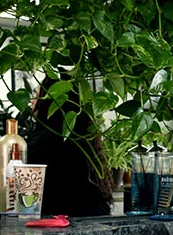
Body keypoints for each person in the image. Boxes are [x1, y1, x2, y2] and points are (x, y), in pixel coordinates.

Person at [26, 77, 113, 217]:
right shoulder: (80, 135)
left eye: (36, 95)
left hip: (73, 220)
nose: (32, 101)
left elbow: (20, 173)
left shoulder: (48, 139)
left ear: (51, 101)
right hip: (92, 214)